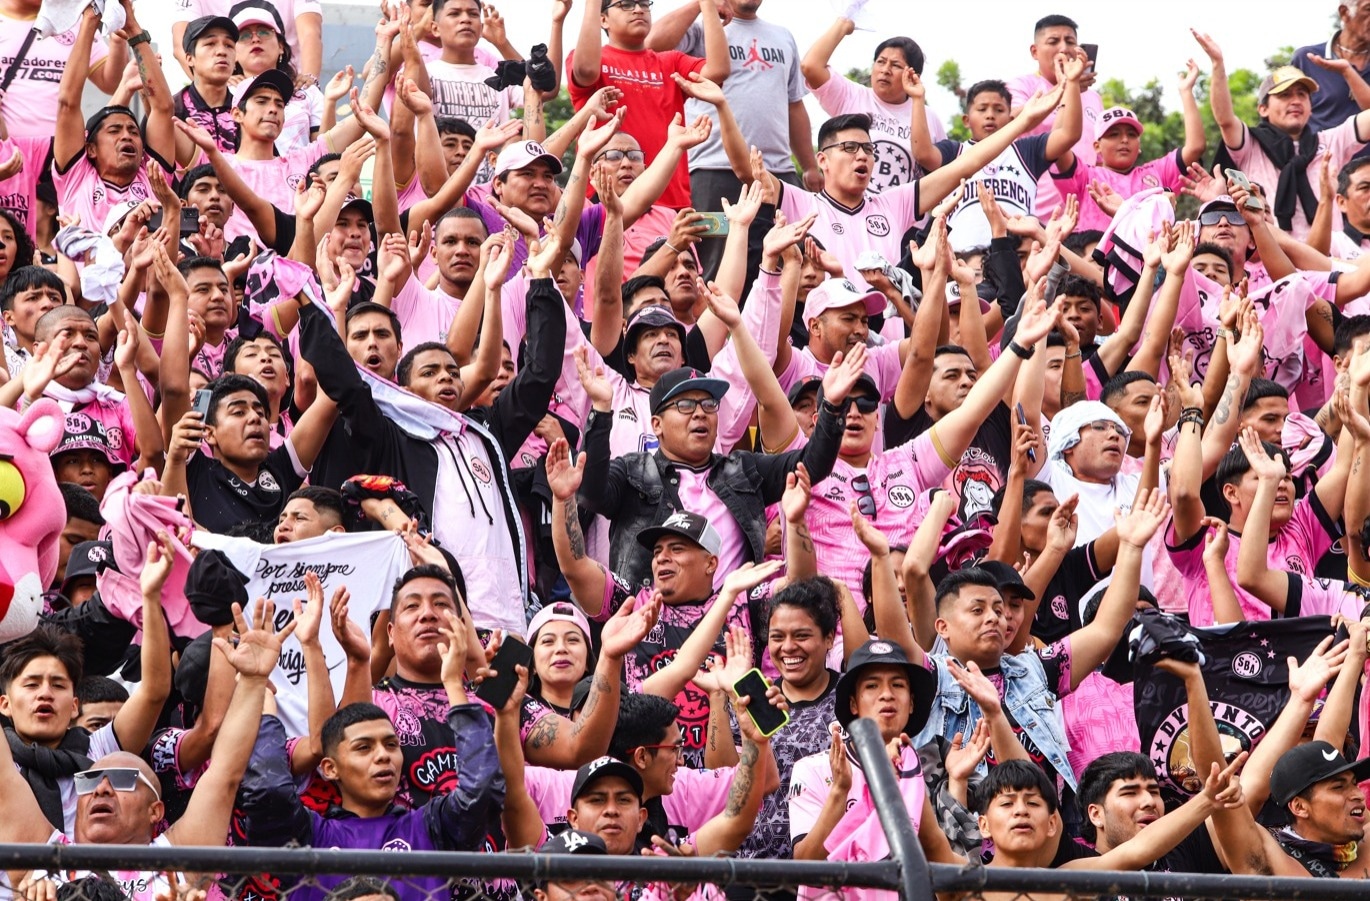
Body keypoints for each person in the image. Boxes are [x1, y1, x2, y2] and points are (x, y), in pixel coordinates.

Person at [1199, 30, 1370, 238]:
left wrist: (1347, 72)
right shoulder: (1251, 145)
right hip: (1271, 262)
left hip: (1329, 262)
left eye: (1302, 94)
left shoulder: (1330, 142)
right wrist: (1218, 65)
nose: (1295, 101)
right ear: (1263, 109)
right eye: (1285, 95)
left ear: (1310, 106)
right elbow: (1225, 120)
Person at [568, 0, 730, 210]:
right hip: (609, 199)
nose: (638, 10)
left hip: (670, 202)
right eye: (625, 4)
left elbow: (717, 71)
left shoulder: (671, 61)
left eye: (644, 4)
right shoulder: (593, 60)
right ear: (603, 19)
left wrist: (707, 4)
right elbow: (586, 72)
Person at [801, 17, 944, 194]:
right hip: (850, 214)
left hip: (907, 218)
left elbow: (942, 173)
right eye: (881, 61)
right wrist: (843, 26)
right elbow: (810, 66)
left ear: (914, 75)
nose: (885, 70)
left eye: (896, 65)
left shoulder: (929, 117)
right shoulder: (851, 95)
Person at [1292, 2, 1370, 131]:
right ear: (1344, 13)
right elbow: (1285, 114)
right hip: (1320, 150)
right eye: (1368, 9)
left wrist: (1347, 72)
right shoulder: (1307, 58)